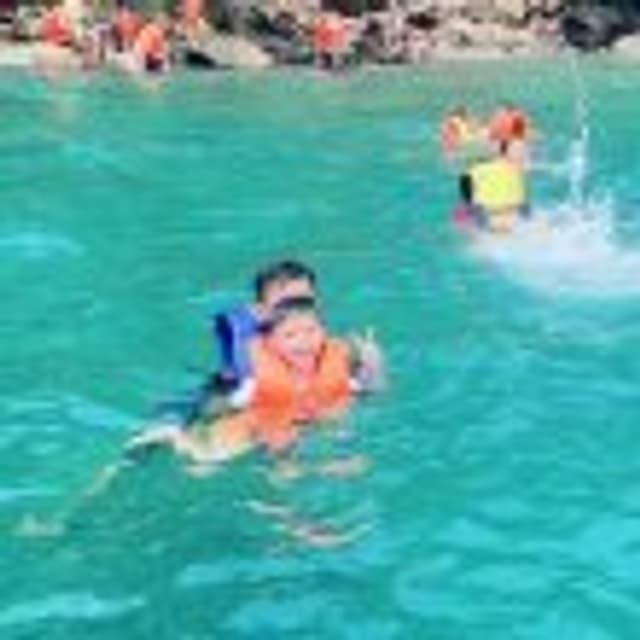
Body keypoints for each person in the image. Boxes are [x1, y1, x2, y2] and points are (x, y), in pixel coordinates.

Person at [126, 297, 384, 464]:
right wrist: (212, 415)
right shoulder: (254, 381)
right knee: (205, 458)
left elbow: (371, 390)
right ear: (271, 343)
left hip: (295, 426)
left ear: (324, 331)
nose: (304, 341)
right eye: (290, 335)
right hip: (251, 429)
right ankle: (171, 436)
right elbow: (220, 407)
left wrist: (373, 362)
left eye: (311, 331)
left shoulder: (336, 364)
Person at [213, 260, 317, 400]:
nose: (297, 312)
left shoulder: (318, 342)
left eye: (304, 303)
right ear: (261, 311)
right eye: (286, 305)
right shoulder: (249, 348)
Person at [466, 143, 529, 233]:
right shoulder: (514, 169)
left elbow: (466, 185)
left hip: (489, 213)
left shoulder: (476, 168)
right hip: (508, 212)